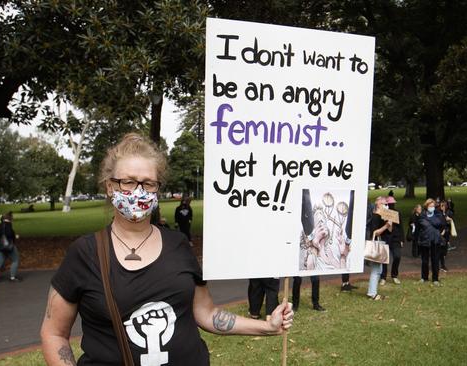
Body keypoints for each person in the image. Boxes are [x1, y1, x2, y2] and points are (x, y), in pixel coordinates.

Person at [40, 133, 294, 365]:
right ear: (110, 186)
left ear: (157, 189)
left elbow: (206, 313)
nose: (138, 192)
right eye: (128, 182)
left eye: (148, 184)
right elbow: (54, 333)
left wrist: (267, 327)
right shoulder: (84, 254)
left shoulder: (179, 245)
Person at [418, 199, 446, 285]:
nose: (432, 208)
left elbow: (441, 224)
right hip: (425, 240)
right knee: (425, 260)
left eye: (433, 206)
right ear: (426, 207)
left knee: (435, 260)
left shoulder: (438, 214)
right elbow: (421, 224)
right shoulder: (422, 215)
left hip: (435, 240)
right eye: (430, 206)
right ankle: (424, 277)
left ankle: (435, 279)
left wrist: (429, 221)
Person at [367, 196, 390, 300]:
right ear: (379, 204)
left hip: (379, 242)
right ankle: (372, 293)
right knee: (376, 270)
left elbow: (389, 229)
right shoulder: (376, 216)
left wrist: (389, 223)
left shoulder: (380, 215)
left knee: (378, 270)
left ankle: (373, 292)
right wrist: (386, 226)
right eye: (384, 203)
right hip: (377, 243)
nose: (386, 205)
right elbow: (375, 232)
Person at [0, 211, 21, 283]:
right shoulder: (9, 225)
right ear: (10, 218)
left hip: (1, 246)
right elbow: (10, 234)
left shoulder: (0, 226)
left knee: (0, 262)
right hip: (9, 246)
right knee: (15, 260)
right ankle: (12, 277)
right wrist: (15, 237)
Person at [380, 196, 404, 284]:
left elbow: (401, 227)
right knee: (384, 259)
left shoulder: (398, 213)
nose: (391, 205)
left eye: (393, 204)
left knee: (397, 256)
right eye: (390, 204)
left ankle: (394, 275)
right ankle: (383, 277)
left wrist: (402, 239)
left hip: (396, 238)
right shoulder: (383, 213)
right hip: (385, 237)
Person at [438, 201, 453, 271]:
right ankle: (441, 265)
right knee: (439, 250)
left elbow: (450, 221)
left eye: (443, 206)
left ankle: (442, 264)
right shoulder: (438, 213)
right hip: (439, 234)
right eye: (441, 206)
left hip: (446, 233)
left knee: (444, 249)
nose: (442, 207)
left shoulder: (448, 213)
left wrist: (449, 220)